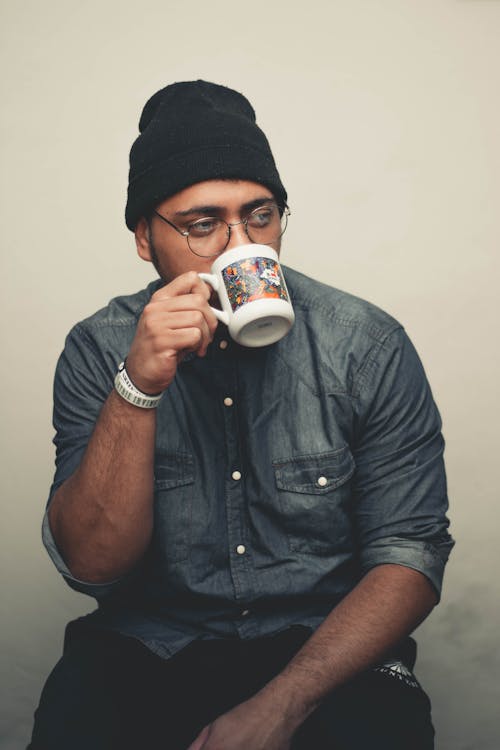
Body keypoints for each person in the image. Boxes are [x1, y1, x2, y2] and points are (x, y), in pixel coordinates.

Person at [29, 80, 454, 750]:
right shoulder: (100, 347)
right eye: (202, 225)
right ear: (145, 237)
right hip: (153, 645)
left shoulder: (365, 345)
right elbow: (91, 564)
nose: (238, 245)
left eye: (260, 216)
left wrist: (281, 706)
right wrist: (138, 385)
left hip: (326, 648)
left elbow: (410, 555)